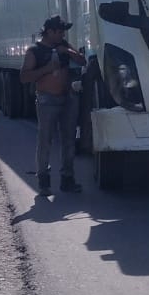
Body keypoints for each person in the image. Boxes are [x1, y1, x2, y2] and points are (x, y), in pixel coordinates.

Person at [20, 15, 86, 195]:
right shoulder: (35, 51)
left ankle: (68, 179)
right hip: (47, 99)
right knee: (45, 141)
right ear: (49, 31)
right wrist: (47, 69)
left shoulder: (63, 45)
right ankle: (43, 181)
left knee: (69, 140)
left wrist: (69, 52)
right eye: (59, 31)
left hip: (68, 98)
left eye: (63, 31)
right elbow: (25, 77)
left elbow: (82, 61)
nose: (62, 34)